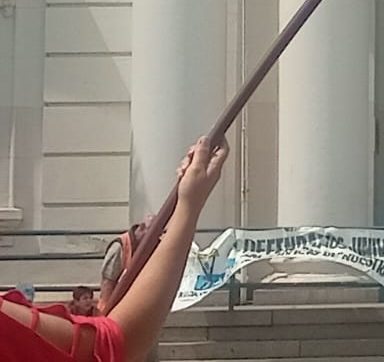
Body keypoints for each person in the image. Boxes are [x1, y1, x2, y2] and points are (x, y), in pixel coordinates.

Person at [2, 135, 228, 362]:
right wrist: (188, 206)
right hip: (124, 313)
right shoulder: (120, 247)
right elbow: (114, 342)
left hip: (137, 310)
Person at [98, 216, 154, 317]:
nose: (151, 239)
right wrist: (106, 311)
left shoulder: (147, 246)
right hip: (115, 305)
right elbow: (107, 283)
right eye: (150, 234)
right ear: (142, 228)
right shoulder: (119, 246)